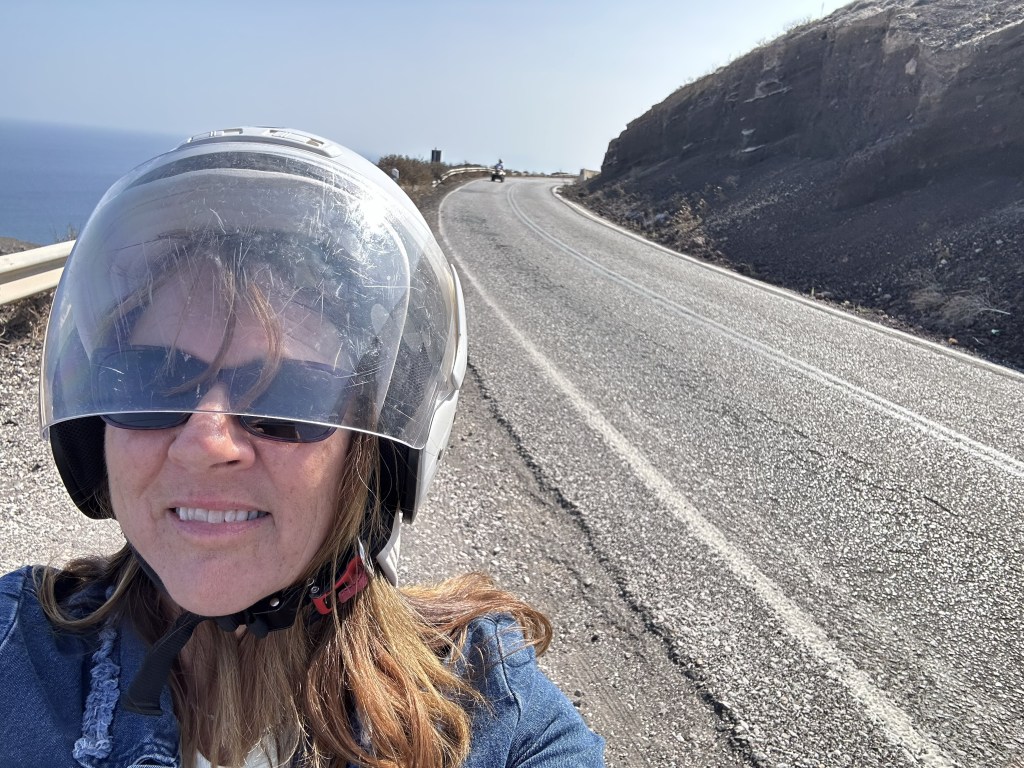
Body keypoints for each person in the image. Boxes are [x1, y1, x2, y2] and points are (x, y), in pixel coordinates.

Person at [0, 127, 604, 767]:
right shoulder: (17, 647)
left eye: (285, 396)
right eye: (153, 378)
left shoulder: (488, 709)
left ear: (372, 455)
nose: (204, 443)